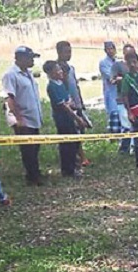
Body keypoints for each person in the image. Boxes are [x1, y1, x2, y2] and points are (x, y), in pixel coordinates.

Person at [2, 46, 43, 186]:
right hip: (23, 118)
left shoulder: (28, 73)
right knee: (28, 149)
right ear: (20, 58)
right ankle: (32, 177)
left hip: (33, 117)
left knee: (35, 146)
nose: (32, 60)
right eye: (30, 57)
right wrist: (19, 118)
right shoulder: (11, 74)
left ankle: (35, 172)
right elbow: (10, 98)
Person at [44, 60, 85, 178]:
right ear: (50, 72)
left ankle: (74, 166)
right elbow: (63, 105)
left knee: (73, 142)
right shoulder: (52, 86)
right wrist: (77, 118)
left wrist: (71, 105)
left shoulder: (61, 83)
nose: (60, 72)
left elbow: (69, 100)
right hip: (62, 118)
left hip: (69, 116)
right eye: (57, 70)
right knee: (66, 144)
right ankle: (67, 169)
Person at [56, 40, 90, 169]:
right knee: (72, 131)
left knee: (80, 130)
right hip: (68, 105)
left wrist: (80, 102)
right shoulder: (58, 69)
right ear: (59, 52)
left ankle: (80, 156)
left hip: (77, 103)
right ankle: (78, 158)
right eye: (66, 52)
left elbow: (75, 85)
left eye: (70, 51)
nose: (69, 54)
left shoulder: (71, 68)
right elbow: (61, 87)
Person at [111, 44, 136, 155]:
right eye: (128, 54)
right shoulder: (118, 66)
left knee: (134, 124)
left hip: (135, 100)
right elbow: (112, 80)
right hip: (122, 98)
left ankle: (134, 147)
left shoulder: (135, 65)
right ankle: (124, 148)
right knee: (126, 125)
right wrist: (124, 79)